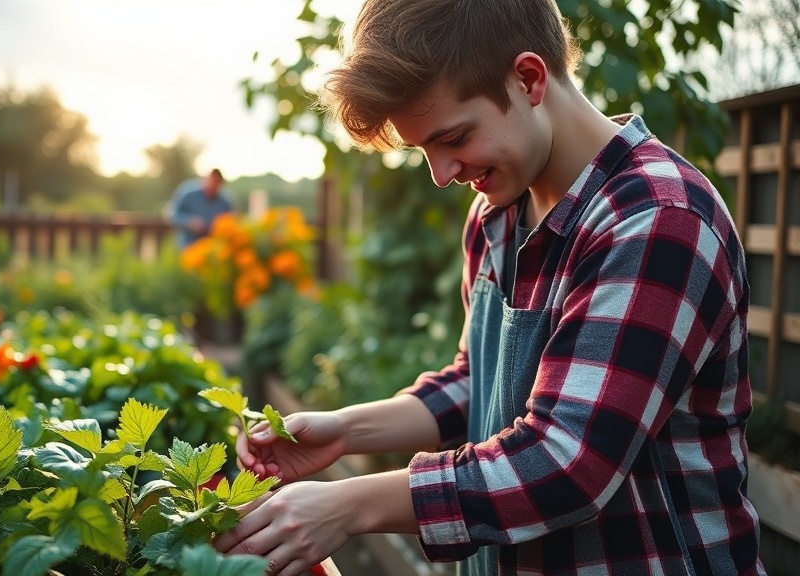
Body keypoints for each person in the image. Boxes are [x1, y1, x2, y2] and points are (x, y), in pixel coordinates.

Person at [214, 0, 766, 575]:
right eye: (424, 148)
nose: (441, 172)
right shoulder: (496, 214)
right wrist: (344, 430)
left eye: (453, 136)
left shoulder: (656, 218)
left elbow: (567, 462)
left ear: (528, 78)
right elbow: (482, 380)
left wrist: (350, 505)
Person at [166, 168, 234, 250]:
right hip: (189, 245)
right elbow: (171, 214)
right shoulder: (188, 193)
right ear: (205, 180)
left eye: (216, 186)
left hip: (213, 247)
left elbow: (231, 220)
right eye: (211, 184)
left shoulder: (225, 201)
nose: (213, 189)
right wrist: (189, 222)